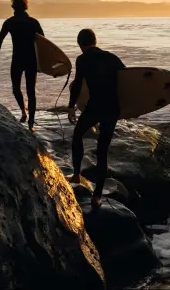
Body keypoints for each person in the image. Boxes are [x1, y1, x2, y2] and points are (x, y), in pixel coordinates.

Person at [68, 28, 125, 209]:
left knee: (77, 135)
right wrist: (132, 108)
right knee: (102, 151)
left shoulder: (82, 59)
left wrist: (71, 107)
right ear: (95, 40)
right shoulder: (112, 57)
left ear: (80, 45)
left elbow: (77, 84)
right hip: (112, 108)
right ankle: (97, 196)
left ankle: (77, 174)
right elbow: (128, 81)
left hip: (94, 106)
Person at [0, 0, 44, 131]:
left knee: (16, 88)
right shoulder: (33, 22)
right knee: (31, 92)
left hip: (17, 60)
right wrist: (42, 63)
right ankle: (31, 123)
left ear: (13, 7)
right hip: (31, 60)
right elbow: (44, 44)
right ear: (26, 6)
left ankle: (23, 112)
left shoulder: (10, 22)